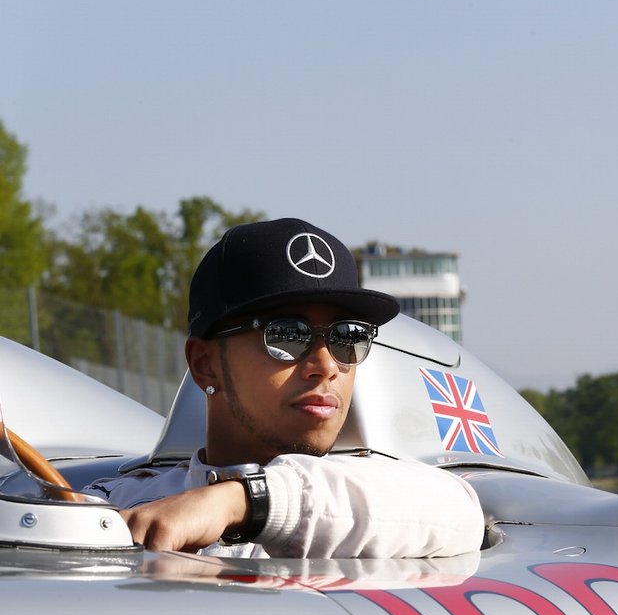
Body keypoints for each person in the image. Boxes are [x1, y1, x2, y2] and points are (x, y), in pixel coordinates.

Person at [86, 217, 485, 559]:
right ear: (205, 366)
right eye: (287, 335)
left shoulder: (385, 498)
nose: (327, 365)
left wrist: (243, 502)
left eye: (347, 337)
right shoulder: (113, 505)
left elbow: (462, 512)